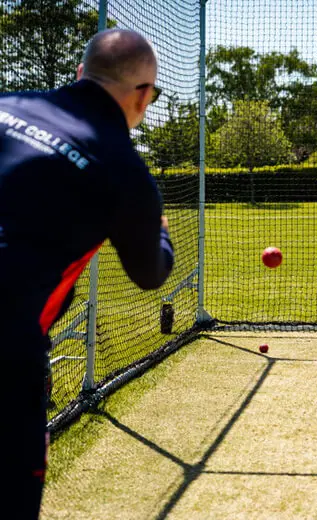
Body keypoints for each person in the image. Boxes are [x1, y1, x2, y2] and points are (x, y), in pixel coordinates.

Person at [0, 29, 174, 518]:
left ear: (80, 74)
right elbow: (150, 273)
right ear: (143, 96)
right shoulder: (123, 168)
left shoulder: (8, 101)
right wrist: (158, 226)